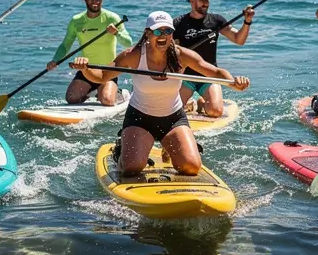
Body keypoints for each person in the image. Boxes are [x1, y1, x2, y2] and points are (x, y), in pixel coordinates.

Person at [72, 11, 249, 176]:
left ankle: (171, 145)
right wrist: (85, 68)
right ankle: (120, 150)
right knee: (131, 168)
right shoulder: (133, 55)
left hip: (173, 118)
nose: (163, 36)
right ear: (148, 33)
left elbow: (215, 72)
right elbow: (102, 76)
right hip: (140, 118)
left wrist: (234, 82)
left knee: (191, 167)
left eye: (168, 31)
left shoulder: (182, 55)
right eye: (158, 32)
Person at [172, 0, 254, 118]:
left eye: (207, 0)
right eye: (202, 0)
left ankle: (202, 103)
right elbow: (170, 52)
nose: (206, 3)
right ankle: (189, 104)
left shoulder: (216, 20)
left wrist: (247, 21)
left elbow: (239, 39)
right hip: (185, 77)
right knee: (172, 112)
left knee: (215, 111)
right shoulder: (178, 23)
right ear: (192, 0)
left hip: (209, 75)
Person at [46, 0, 133, 106]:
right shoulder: (76, 21)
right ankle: (93, 92)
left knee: (107, 101)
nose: (95, 2)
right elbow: (66, 44)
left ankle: (120, 94)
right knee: (71, 99)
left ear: (102, 0)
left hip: (107, 71)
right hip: (86, 69)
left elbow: (128, 43)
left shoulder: (112, 18)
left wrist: (116, 33)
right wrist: (55, 60)